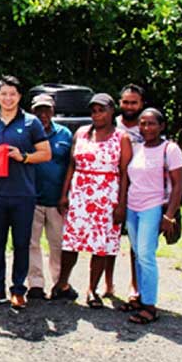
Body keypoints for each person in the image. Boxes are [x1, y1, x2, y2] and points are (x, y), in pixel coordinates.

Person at [0, 75, 51, 310]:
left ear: (19, 97)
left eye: (13, 94)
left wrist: (24, 156)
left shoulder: (31, 123)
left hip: (23, 194)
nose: (8, 98)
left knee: (21, 244)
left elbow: (46, 153)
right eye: (3, 94)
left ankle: (18, 290)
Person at [52, 93, 131, 308]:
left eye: (101, 110)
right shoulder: (82, 133)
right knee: (71, 243)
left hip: (106, 196)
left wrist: (121, 204)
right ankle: (62, 282)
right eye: (94, 110)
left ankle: (92, 289)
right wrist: (64, 194)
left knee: (100, 246)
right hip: (79, 194)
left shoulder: (121, 138)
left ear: (112, 111)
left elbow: (124, 173)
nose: (97, 114)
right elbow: (71, 165)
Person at [124, 108, 182, 324]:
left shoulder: (170, 149)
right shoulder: (137, 148)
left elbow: (178, 185)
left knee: (146, 255)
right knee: (136, 252)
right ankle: (139, 296)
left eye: (151, 124)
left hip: (153, 207)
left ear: (161, 126)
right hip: (133, 207)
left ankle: (150, 306)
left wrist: (168, 216)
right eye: (142, 123)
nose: (146, 128)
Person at [26, 94, 72, 300]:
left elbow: (72, 165)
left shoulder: (65, 134)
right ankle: (35, 283)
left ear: (54, 111)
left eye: (47, 110)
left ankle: (60, 283)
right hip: (31, 198)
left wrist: (67, 194)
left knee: (59, 243)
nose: (43, 115)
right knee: (31, 243)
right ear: (32, 111)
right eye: (38, 110)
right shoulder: (26, 132)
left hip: (57, 200)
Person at [110, 83, 146, 302]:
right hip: (111, 188)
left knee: (136, 243)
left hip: (140, 191)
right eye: (125, 102)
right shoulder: (111, 125)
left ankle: (135, 285)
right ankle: (108, 283)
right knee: (109, 239)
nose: (129, 106)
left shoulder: (148, 126)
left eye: (134, 102)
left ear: (142, 104)